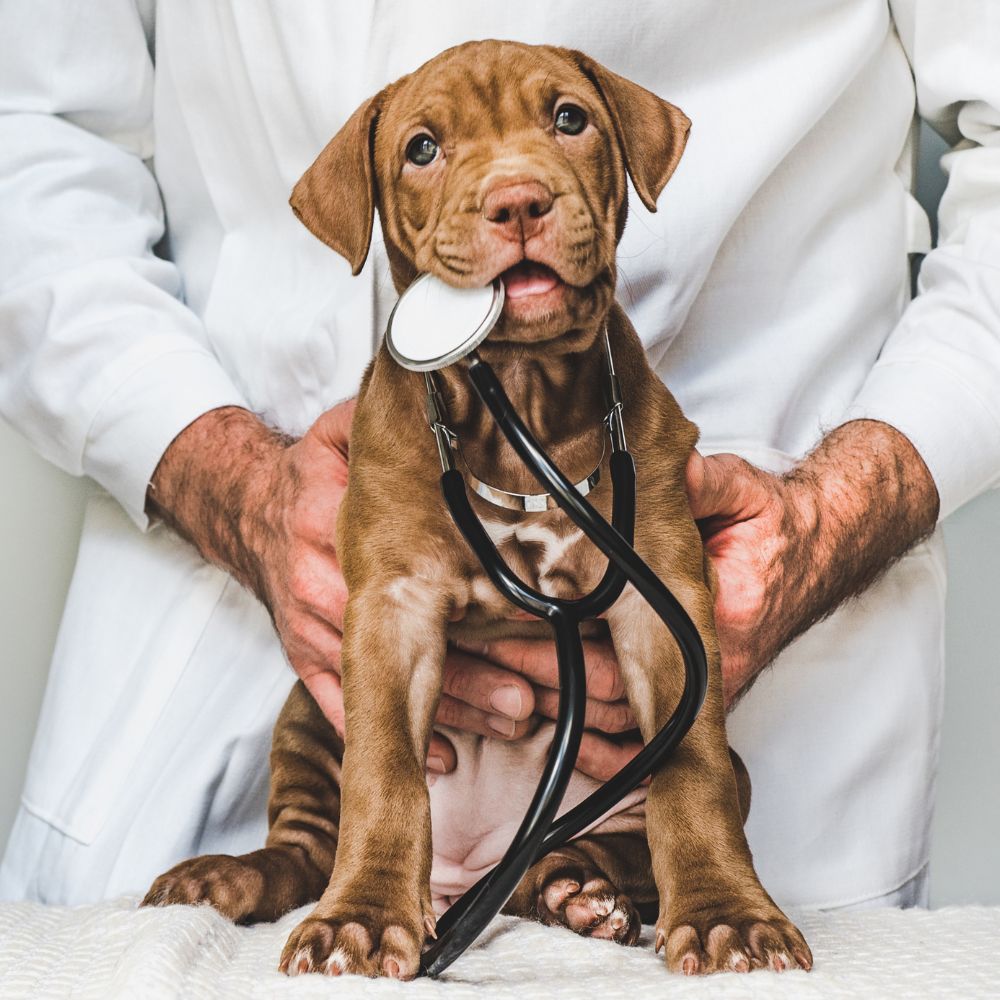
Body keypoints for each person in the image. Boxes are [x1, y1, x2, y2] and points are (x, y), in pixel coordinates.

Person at [0, 0, 997, 913]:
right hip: (219, 694)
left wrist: (836, 513)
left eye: (564, 124)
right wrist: (227, 481)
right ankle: (311, 847)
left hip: (738, 716)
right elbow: (33, 137)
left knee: (703, 880)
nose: (513, 191)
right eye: (429, 148)